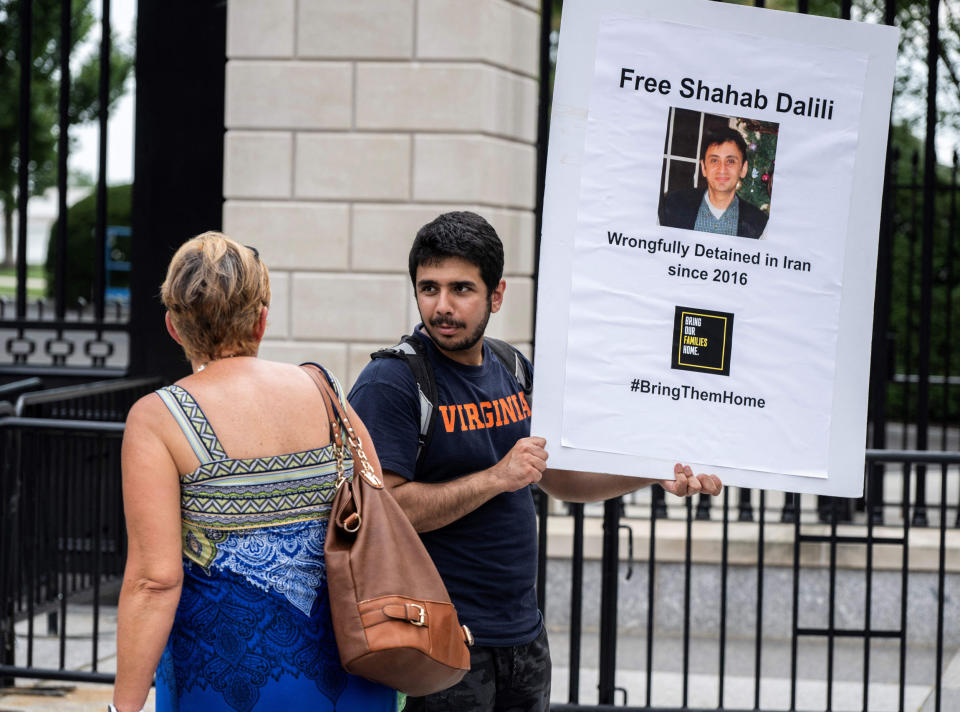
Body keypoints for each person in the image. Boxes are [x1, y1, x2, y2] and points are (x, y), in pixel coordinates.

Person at [348, 211, 722, 712]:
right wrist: (495, 478)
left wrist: (651, 473)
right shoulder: (392, 382)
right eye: (429, 288)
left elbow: (560, 478)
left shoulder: (511, 367)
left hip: (523, 638)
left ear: (496, 295)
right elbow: (383, 510)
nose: (441, 306)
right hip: (439, 641)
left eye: (461, 289)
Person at [112, 232, 397, 712]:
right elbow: (377, 498)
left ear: (173, 327)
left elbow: (154, 581)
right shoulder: (323, 389)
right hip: (355, 673)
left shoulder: (159, 417)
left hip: (224, 679)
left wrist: (122, 706)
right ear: (262, 320)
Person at [659, 127, 769, 239]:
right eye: (714, 160)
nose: (722, 169)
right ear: (703, 168)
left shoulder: (760, 224)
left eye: (730, 161)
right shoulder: (672, 206)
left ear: (743, 169)